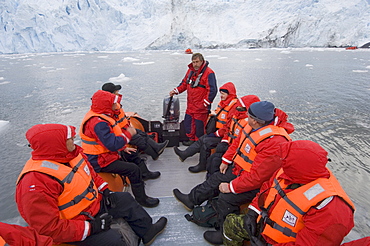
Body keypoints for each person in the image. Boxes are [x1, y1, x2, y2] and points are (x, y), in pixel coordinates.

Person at [16, 124, 167, 246]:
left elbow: (92, 175)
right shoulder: (35, 182)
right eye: (69, 138)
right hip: (75, 223)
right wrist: (91, 227)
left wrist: (105, 191)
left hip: (93, 205)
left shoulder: (73, 156)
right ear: (55, 143)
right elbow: (48, 227)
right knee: (113, 240)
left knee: (124, 199)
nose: (74, 139)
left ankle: (148, 232)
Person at [173, 101, 295, 245]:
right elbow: (238, 143)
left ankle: (223, 232)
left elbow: (258, 178)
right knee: (217, 177)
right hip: (241, 170)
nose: (245, 117)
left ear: (255, 120)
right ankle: (192, 199)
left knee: (227, 197)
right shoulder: (253, 126)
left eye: (248, 115)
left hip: (258, 183)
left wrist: (231, 187)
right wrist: (226, 160)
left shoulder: (274, 143)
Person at [223, 140, 356, 246]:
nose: (282, 162)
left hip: (281, 242)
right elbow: (267, 188)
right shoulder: (289, 172)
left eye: (286, 160)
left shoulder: (331, 209)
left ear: (298, 166)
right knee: (231, 223)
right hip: (264, 225)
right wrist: (253, 212)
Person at [80, 90, 159, 207]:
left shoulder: (100, 117)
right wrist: (128, 135)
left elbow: (107, 141)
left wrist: (123, 148)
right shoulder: (98, 123)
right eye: (113, 103)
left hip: (105, 156)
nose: (115, 106)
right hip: (99, 161)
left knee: (132, 156)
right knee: (134, 170)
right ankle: (142, 200)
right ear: (106, 105)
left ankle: (144, 177)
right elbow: (111, 144)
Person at [173, 82, 238, 173]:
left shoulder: (234, 107)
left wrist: (217, 133)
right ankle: (185, 154)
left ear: (229, 94)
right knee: (202, 138)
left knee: (206, 142)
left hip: (225, 136)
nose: (221, 96)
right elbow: (220, 113)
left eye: (223, 94)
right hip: (218, 131)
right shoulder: (224, 103)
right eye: (221, 94)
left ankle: (202, 165)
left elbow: (230, 126)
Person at [102, 82, 169, 161]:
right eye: (116, 91)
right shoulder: (108, 107)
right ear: (112, 93)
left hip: (125, 127)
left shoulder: (114, 104)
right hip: (120, 132)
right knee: (139, 140)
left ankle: (157, 147)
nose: (118, 92)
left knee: (141, 133)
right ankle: (154, 155)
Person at [169, 53, 217, 146]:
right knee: (189, 124)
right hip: (191, 105)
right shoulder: (190, 71)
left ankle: (199, 145)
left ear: (202, 61)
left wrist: (205, 103)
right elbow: (184, 83)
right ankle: (191, 140)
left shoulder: (209, 73)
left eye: (197, 62)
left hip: (201, 107)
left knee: (199, 127)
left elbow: (212, 90)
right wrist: (176, 91)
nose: (195, 64)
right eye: (193, 62)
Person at [206, 95, 261, 177]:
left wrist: (226, 159)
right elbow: (228, 129)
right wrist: (224, 141)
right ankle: (209, 175)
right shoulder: (236, 116)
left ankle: (213, 180)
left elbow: (240, 144)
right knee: (212, 157)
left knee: (215, 161)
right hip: (229, 145)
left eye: (240, 107)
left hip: (239, 158)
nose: (238, 108)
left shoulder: (249, 125)